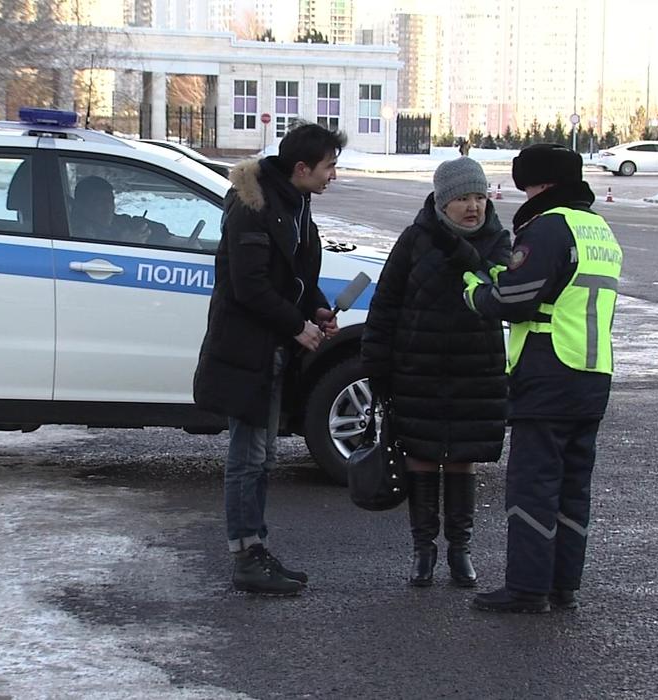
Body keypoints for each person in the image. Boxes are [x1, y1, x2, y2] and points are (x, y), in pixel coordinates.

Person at [462, 144, 622, 614]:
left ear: (543, 185)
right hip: (593, 372)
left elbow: (518, 299)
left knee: (534, 484)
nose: (523, 192)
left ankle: (527, 588)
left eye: (527, 184)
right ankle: (562, 584)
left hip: (550, 371)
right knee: (573, 486)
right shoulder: (599, 230)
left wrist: (476, 290)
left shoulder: (550, 226)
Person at [192, 122, 345, 596]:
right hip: (247, 348)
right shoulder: (254, 204)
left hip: (271, 348)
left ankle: (256, 547)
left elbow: (292, 275)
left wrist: (314, 306)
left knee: (263, 456)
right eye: (328, 167)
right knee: (248, 456)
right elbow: (250, 286)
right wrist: (297, 326)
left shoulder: (295, 202)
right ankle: (245, 556)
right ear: (302, 168)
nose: (332, 176)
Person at [361, 157, 512, 588]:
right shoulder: (414, 240)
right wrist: (376, 361)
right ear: (443, 201)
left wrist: (457, 248)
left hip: (474, 369)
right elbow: (386, 303)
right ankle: (423, 550)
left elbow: (497, 288)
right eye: (463, 198)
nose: (473, 207)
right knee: (422, 457)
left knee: (463, 459)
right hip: (418, 366)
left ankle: (460, 550)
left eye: (480, 197)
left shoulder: (499, 242)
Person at [69, 176, 175, 245]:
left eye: (110, 200)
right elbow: (95, 262)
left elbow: (161, 230)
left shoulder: (115, 221)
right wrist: (124, 243)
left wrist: (141, 226)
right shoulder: (73, 231)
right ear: (81, 205)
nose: (108, 207)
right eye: (99, 202)